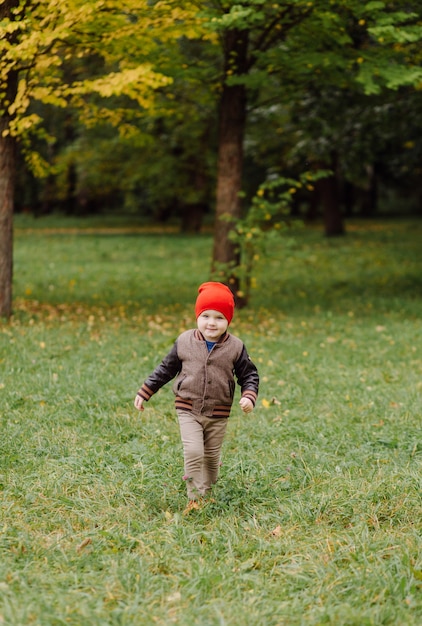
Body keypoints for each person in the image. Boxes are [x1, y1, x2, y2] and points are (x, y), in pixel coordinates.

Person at [134, 281, 259, 514]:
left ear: (228, 321)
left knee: (211, 456)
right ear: (197, 317)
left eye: (219, 317)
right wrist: (146, 391)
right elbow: (166, 369)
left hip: (218, 411)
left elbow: (249, 374)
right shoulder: (184, 342)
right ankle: (194, 497)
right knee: (194, 451)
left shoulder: (236, 347)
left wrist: (249, 396)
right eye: (206, 316)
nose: (212, 322)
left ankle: (207, 493)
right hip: (187, 407)